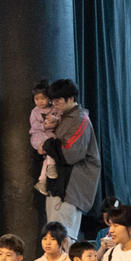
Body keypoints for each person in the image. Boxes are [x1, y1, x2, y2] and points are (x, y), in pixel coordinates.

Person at [40, 78, 100, 237]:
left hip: (70, 187)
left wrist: (47, 144)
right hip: (59, 185)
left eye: (58, 100)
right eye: (52, 101)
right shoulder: (65, 117)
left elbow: (70, 154)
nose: (54, 104)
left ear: (71, 98)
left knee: (63, 236)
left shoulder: (79, 119)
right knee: (54, 235)